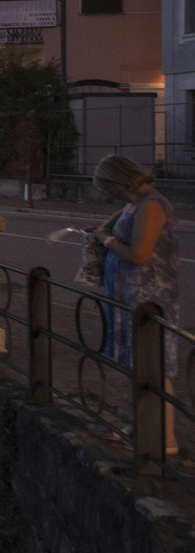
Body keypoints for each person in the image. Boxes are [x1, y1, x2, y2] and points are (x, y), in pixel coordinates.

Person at [92, 153, 181, 456]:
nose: (108, 194)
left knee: (152, 366)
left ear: (119, 181)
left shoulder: (151, 206)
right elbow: (111, 230)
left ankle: (165, 438)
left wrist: (105, 241)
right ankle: (140, 423)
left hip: (150, 298)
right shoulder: (135, 203)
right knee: (136, 364)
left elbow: (139, 255)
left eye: (109, 188)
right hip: (131, 296)